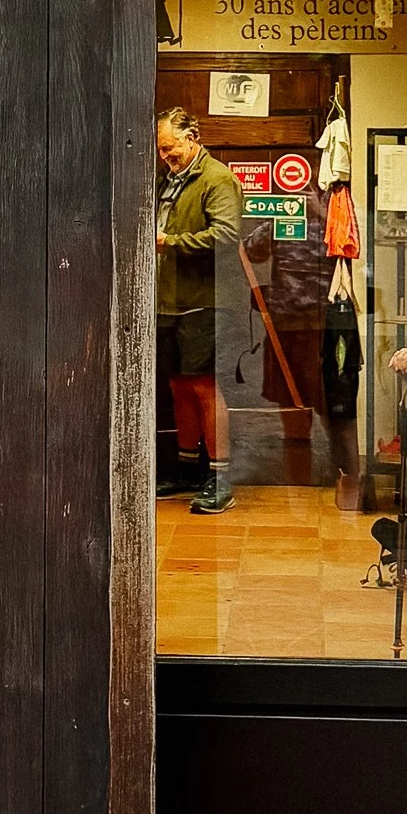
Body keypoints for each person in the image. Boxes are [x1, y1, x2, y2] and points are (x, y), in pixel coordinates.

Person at [156, 106, 241, 513]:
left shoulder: (217, 178)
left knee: (205, 387)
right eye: (161, 150)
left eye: (171, 148)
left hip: (206, 302)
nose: (166, 156)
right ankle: (188, 470)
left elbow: (226, 236)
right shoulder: (169, 181)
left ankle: (220, 477)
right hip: (168, 302)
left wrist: (169, 242)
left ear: (193, 138)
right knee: (177, 386)